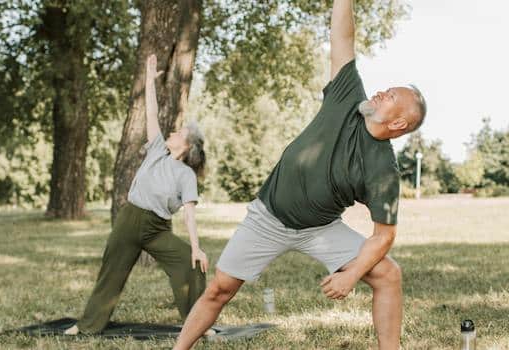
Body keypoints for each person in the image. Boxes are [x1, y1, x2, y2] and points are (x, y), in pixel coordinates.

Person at [172, 0, 427, 348]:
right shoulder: (347, 95)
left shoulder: (383, 170)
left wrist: (351, 274)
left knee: (388, 275)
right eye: (386, 89)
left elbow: (383, 236)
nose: (381, 92)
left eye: (390, 96)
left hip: (319, 229)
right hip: (267, 216)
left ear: (398, 123)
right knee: (219, 289)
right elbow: (342, 37)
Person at [65, 54, 208, 335]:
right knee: (111, 273)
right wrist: (149, 78)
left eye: (179, 132)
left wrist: (195, 247)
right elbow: (151, 113)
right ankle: (87, 326)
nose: (172, 132)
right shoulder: (156, 149)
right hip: (130, 220)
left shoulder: (186, 175)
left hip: (157, 229)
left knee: (190, 264)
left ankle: (198, 326)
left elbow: (189, 215)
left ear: (187, 145)